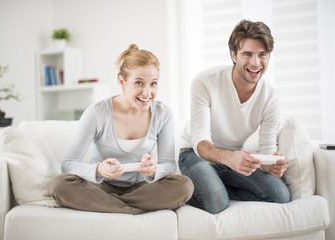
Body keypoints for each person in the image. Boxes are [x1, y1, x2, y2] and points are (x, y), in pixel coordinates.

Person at [50, 44, 194, 215]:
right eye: (139, 83)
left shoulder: (163, 113)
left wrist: (153, 170)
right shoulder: (97, 112)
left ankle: (110, 208)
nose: (147, 93)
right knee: (59, 184)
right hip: (99, 187)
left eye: (153, 83)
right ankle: (133, 212)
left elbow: (169, 165)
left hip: (142, 188)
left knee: (184, 185)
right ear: (122, 82)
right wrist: (98, 170)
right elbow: (68, 165)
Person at [178, 20, 290, 214]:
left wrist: (272, 165)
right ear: (233, 55)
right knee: (215, 202)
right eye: (247, 54)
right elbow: (200, 142)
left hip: (234, 157)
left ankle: (213, 188)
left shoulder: (270, 98)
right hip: (195, 153)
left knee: (280, 195)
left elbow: (266, 152)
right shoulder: (205, 82)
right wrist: (229, 158)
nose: (255, 63)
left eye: (262, 55)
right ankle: (206, 191)